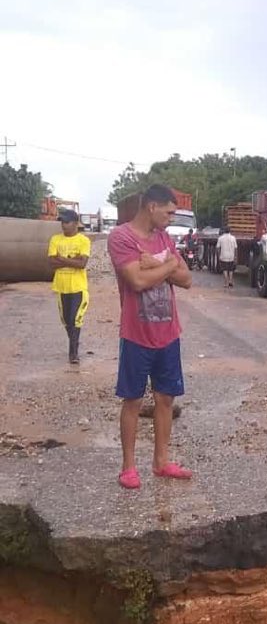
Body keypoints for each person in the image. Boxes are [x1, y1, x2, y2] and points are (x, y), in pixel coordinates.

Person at [107, 184, 193, 490]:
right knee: (132, 400)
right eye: (169, 211)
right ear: (152, 207)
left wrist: (160, 264)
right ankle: (128, 467)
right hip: (136, 333)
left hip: (168, 333)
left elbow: (186, 279)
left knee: (165, 398)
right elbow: (137, 281)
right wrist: (170, 265)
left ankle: (161, 462)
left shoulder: (164, 239)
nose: (172, 218)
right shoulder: (121, 237)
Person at [47, 209, 91, 364]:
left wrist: (62, 259)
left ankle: (73, 353)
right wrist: (72, 260)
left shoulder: (83, 240)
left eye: (67, 222)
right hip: (61, 287)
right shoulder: (55, 239)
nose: (63, 225)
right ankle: (74, 342)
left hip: (78, 287)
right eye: (62, 222)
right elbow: (52, 263)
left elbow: (82, 264)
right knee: (66, 320)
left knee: (75, 319)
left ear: (75, 223)